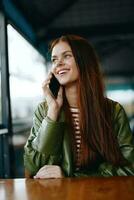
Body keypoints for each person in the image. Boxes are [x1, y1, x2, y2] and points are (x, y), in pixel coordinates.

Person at [24, 35, 134, 178]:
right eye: (54, 59)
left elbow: (130, 168)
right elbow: (33, 168)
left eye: (67, 56)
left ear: (85, 61)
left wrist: (72, 177)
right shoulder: (45, 110)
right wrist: (53, 113)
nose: (58, 64)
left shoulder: (113, 111)